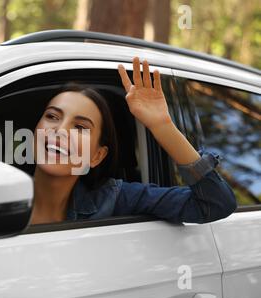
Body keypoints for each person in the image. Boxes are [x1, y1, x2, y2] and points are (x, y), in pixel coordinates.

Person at [30, 57, 237, 225]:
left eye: (80, 127)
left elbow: (215, 204)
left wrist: (162, 126)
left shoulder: (114, 200)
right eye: (52, 117)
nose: (61, 130)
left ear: (96, 156)